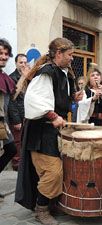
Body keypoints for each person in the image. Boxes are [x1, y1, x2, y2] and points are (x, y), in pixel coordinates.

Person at [15, 37, 83, 225]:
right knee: (52, 172)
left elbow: (58, 99)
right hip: (41, 132)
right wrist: (53, 116)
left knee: (56, 171)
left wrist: (73, 98)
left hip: (54, 133)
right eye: (70, 55)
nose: (72, 59)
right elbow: (34, 100)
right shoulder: (47, 72)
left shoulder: (63, 73)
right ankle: (41, 210)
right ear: (58, 54)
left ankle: (50, 203)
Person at [0, 39, 18, 202]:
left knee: (11, 150)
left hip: (1, 122)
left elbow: (13, 96)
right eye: (0, 53)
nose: (4, 57)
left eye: (6, 54)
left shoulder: (4, 76)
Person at [7, 54, 28, 171]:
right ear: (16, 63)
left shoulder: (27, 78)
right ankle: (16, 165)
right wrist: (16, 120)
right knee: (17, 142)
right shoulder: (11, 78)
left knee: (25, 140)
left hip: (27, 116)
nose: (23, 65)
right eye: (21, 62)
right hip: (18, 117)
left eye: (25, 62)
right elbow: (12, 101)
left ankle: (23, 163)